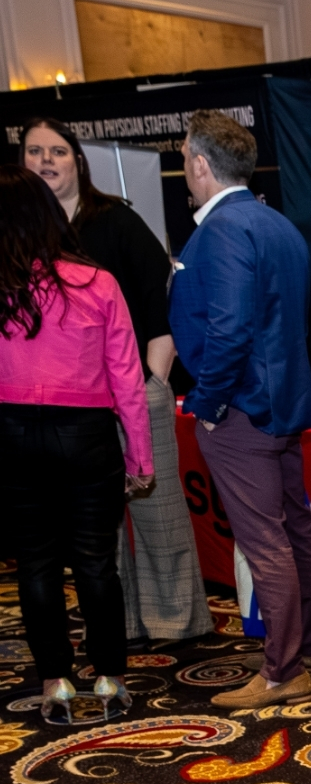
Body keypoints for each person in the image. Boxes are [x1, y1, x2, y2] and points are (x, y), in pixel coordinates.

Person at [21, 117, 212, 644]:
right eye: (34, 152)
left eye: (57, 151)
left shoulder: (115, 220)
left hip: (136, 388)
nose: (45, 161)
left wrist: (152, 380)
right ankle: (120, 624)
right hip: (72, 408)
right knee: (96, 529)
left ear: (78, 161)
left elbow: (159, 296)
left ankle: (176, 624)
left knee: (158, 515)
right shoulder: (19, 233)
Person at [169, 109, 311, 710]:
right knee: (294, 529)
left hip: (240, 407)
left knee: (266, 540)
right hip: (281, 403)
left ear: (200, 164)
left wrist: (207, 403)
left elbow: (230, 329)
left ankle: (284, 670)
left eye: (185, 158)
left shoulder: (222, 230)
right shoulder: (278, 224)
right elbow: (299, 323)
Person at [0, 165, 152, 723]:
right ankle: (109, 677)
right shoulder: (97, 282)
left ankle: (55, 682)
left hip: (13, 434)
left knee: (36, 565)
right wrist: (140, 457)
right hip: (86, 436)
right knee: (94, 562)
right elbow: (127, 379)